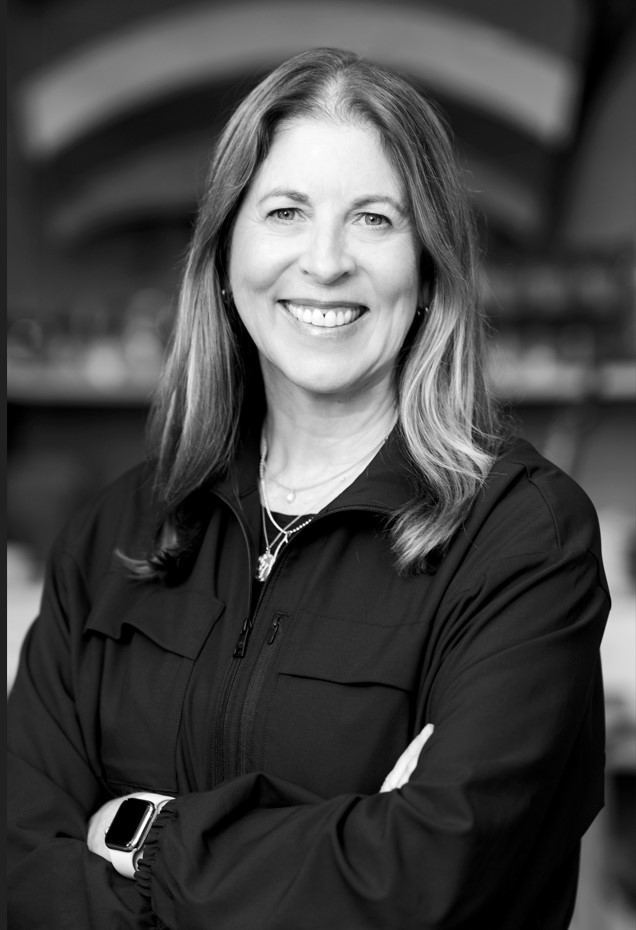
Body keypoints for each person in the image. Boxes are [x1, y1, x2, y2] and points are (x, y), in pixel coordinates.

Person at [7, 47, 610, 929]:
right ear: (224, 252)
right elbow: (19, 867)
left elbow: (420, 884)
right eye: (285, 211)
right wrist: (346, 838)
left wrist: (144, 835)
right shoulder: (117, 532)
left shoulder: (522, 539)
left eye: (373, 219)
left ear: (429, 263)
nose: (325, 262)